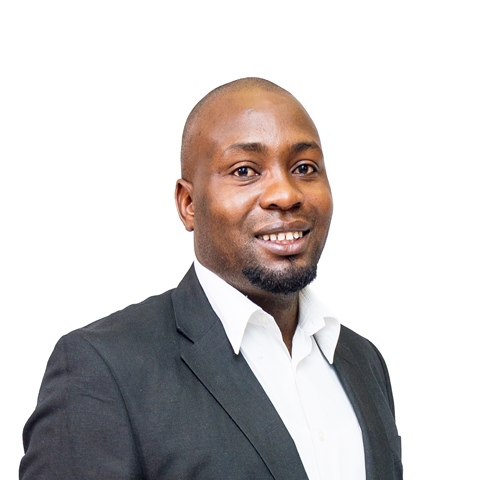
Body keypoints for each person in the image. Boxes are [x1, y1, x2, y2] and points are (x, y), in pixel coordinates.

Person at [20, 77, 402, 480]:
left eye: (304, 168)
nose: (286, 194)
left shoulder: (363, 362)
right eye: (245, 170)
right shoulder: (104, 368)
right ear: (188, 203)